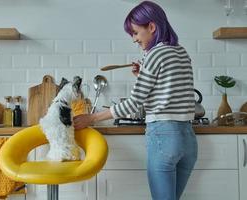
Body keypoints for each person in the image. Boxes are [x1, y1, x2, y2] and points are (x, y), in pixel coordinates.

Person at [73, 1, 197, 200]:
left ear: (152, 27)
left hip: (164, 136)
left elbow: (133, 103)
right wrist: (142, 75)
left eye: (136, 32)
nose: (134, 39)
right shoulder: (181, 52)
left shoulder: (154, 54)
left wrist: (91, 118)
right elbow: (167, 87)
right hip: (187, 139)